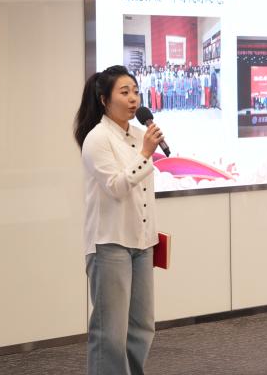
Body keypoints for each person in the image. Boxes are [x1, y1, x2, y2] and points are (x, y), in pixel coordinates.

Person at [74, 65, 166, 375]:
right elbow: (115, 186)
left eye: (136, 92)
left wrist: (152, 235)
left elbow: (143, 192)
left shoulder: (140, 136)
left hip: (141, 242)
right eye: (124, 92)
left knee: (142, 327)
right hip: (109, 244)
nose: (133, 99)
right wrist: (145, 154)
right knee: (110, 333)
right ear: (104, 99)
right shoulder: (97, 138)